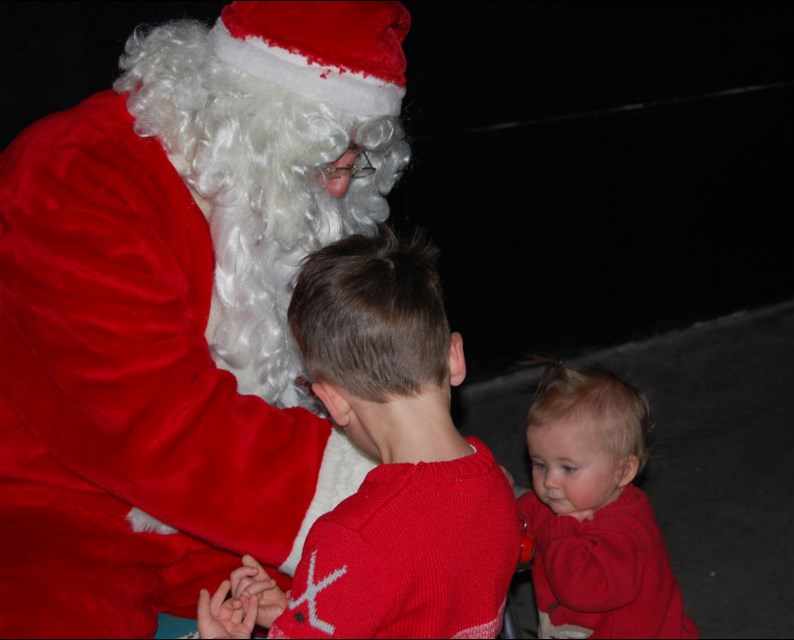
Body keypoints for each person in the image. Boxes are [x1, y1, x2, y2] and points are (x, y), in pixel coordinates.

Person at [0, 2, 414, 637]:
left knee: (407, 592)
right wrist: (385, 489)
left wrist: (426, 464)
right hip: (54, 500)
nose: (340, 187)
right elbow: (158, 426)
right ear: (246, 115)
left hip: (226, 502)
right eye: (326, 151)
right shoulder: (77, 179)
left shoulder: (282, 190)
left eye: (358, 158)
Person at [196, 225, 523, 639]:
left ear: (333, 402)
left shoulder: (354, 538)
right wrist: (298, 613)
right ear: (454, 357)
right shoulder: (497, 485)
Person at [517, 359, 699, 639]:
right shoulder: (558, 501)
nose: (550, 482)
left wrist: (560, 530)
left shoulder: (624, 532)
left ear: (622, 471)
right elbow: (516, 515)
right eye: (539, 464)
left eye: (568, 468)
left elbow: (582, 590)